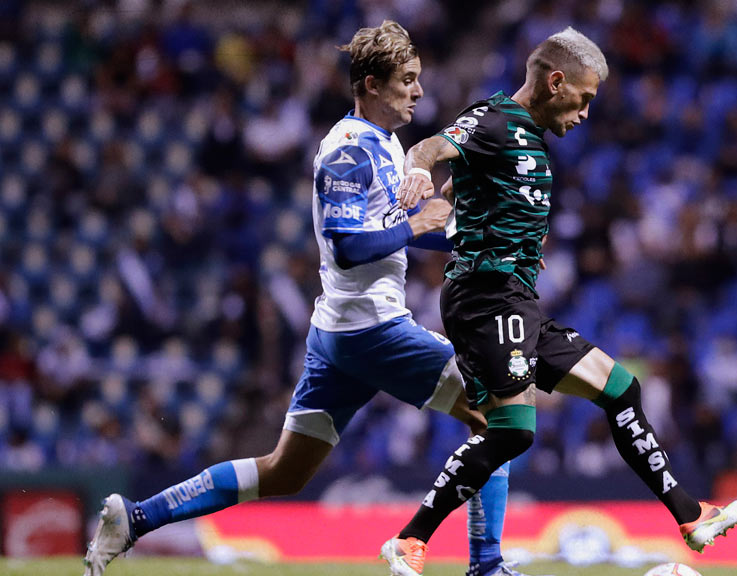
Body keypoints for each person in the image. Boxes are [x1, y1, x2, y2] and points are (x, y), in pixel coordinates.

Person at [85, 21, 528, 576]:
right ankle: (485, 567)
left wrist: (478, 234)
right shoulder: (346, 153)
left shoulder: (386, 144)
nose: (418, 90)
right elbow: (347, 247)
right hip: (372, 329)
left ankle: (135, 518)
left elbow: (394, 226)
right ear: (371, 84)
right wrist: (418, 228)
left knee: (284, 473)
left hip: (341, 333)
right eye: (407, 80)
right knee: (501, 413)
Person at [380, 27, 737, 576]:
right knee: (512, 431)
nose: (586, 113)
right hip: (485, 298)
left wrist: (509, 240)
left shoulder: (529, 139)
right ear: (556, 82)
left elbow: (466, 194)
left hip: (516, 295)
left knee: (621, 388)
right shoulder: (495, 121)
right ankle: (410, 539)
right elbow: (430, 148)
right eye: (585, 98)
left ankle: (691, 518)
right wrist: (415, 173)